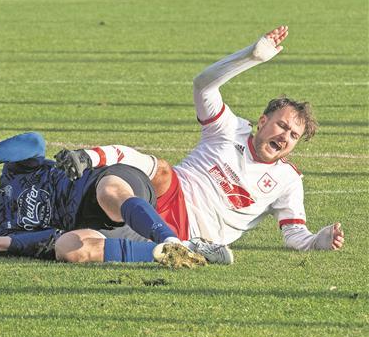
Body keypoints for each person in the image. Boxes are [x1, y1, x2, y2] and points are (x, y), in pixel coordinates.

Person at [56, 25, 345, 252]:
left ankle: (175, 249)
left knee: (72, 246)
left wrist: (318, 240)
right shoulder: (230, 129)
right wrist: (251, 56)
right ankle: (90, 157)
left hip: (192, 235)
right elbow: (203, 87)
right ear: (262, 121)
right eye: (282, 126)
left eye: (293, 135)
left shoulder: (288, 179)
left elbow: (294, 234)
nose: (284, 137)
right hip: (163, 195)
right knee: (160, 171)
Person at [0, 131, 234, 267]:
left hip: (103, 181)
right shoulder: (6, 233)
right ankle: (175, 252)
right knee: (68, 249)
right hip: (95, 223)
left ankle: (170, 239)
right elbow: (50, 238)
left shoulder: (13, 175)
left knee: (108, 193)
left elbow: (33, 141)